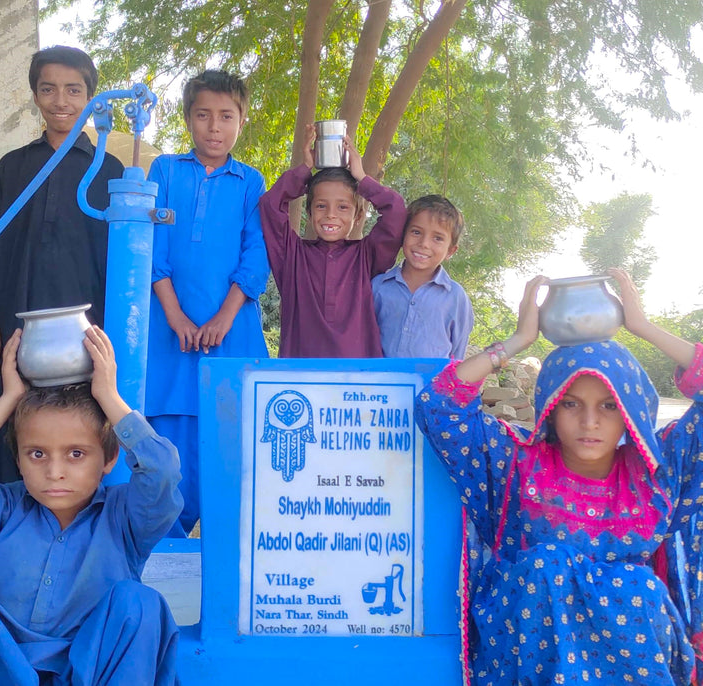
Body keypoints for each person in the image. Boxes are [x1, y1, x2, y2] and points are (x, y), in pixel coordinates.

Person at [414, 269, 703, 685]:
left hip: (634, 669)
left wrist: (642, 327)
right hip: (528, 665)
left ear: (631, 410)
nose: (590, 422)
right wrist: (516, 341)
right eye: (571, 404)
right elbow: (438, 405)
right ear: (549, 404)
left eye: (608, 405)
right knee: (546, 568)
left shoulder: (655, 474)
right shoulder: (516, 466)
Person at [0, 326, 182, 685]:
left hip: (91, 666)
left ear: (108, 459)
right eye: (37, 454)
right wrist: (10, 398)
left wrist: (108, 396)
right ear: (19, 460)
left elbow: (161, 471)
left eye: (76, 454)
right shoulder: (5, 508)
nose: (55, 472)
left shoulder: (127, 517)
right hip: (4, 666)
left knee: (140, 604)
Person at [0, 46, 125, 572]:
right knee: (8, 437)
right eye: (49, 89)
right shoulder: (14, 167)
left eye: (74, 90)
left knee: (80, 444)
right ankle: (2, 559)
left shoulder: (109, 170)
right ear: (35, 94)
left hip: (84, 339)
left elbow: (120, 266)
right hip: (15, 329)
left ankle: (78, 563)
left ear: (91, 97)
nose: (61, 101)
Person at [146, 69, 269, 536]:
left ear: (242, 122)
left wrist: (223, 316)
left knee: (230, 439)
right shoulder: (166, 171)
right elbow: (152, 246)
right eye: (203, 115)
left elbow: (257, 255)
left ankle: (229, 556)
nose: (214, 127)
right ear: (187, 119)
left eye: (225, 116)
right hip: (167, 334)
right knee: (166, 440)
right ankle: (164, 556)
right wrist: (175, 315)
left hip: (231, 332)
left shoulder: (251, 182)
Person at [258, 123, 406, 358]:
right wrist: (306, 167)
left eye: (343, 207)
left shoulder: (366, 256)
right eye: (320, 206)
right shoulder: (292, 255)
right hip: (302, 380)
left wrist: (362, 177)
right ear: (308, 212)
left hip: (358, 383)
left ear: (358, 216)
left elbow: (396, 211)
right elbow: (270, 205)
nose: (331, 214)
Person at [372, 194, 473, 358]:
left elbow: (457, 355)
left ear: (450, 251)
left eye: (438, 238)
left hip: (432, 384)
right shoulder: (378, 287)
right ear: (402, 235)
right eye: (416, 232)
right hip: (383, 382)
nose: (424, 243)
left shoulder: (456, 298)